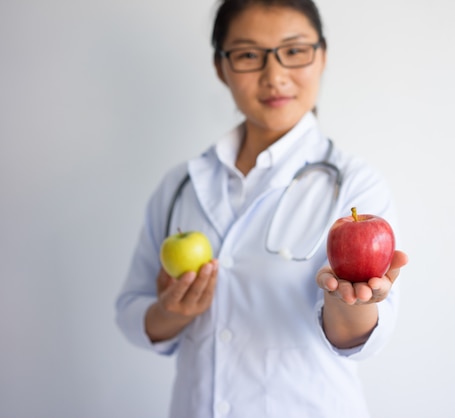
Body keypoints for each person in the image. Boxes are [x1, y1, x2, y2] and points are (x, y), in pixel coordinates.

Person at [115, 0, 409, 417]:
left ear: (322, 56)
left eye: (294, 51)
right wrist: (169, 313)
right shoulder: (180, 185)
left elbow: (356, 340)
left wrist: (351, 303)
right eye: (249, 55)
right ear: (221, 67)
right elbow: (131, 311)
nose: (274, 76)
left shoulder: (357, 186)